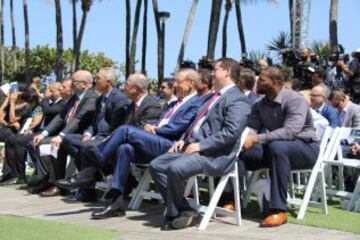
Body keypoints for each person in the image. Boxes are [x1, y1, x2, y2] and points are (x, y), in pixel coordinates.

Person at [57, 69, 204, 218]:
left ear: (190, 83)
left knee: (125, 130)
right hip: (156, 142)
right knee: (123, 148)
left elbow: (178, 126)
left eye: (178, 83)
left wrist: (157, 128)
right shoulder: (174, 103)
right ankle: (116, 204)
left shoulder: (195, 102)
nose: (174, 86)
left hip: (171, 145)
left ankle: (96, 162)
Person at [149, 58, 250, 230]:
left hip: (214, 154)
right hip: (192, 147)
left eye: (216, 69)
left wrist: (202, 145)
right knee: (156, 165)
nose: (212, 73)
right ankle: (185, 209)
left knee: (175, 168)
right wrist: (184, 139)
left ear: (227, 72)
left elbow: (231, 132)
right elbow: (197, 124)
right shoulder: (213, 97)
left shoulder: (237, 99)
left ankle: (175, 214)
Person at [238, 67, 319, 227]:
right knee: (239, 153)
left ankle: (278, 210)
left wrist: (256, 138)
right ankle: (232, 200)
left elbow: (290, 132)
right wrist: (242, 142)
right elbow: (250, 130)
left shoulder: (294, 99)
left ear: (275, 83)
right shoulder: (258, 105)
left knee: (277, 146)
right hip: (275, 149)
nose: (257, 82)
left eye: (261, 79)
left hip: (305, 149)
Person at [38, 68, 130, 197]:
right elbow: (94, 123)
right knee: (67, 140)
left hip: (108, 138)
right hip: (94, 136)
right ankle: (94, 173)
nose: (95, 81)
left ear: (108, 82)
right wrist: (88, 134)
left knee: (85, 147)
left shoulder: (118, 99)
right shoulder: (100, 99)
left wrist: (107, 139)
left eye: (98, 78)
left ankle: (87, 185)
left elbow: (118, 127)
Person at [28, 70, 97, 194]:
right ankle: (46, 181)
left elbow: (78, 119)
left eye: (74, 82)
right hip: (68, 134)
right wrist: (44, 133)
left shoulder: (91, 97)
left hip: (81, 135)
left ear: (85, 84)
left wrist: (61, 135)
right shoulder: (74, 98)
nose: (71, 85)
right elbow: (60, 117)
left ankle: (58, 185)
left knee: (55, 144)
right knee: (41, 142)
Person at [0, 82, 68, 185]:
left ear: (57, 91)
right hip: (40, 132)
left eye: (50, 90)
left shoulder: (63, 103)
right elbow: (39, 117)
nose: (48, 92)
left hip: (51, 134)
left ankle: (19, 175)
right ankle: (9, 173)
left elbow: (46, 110)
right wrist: (31, 128)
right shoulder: (48, 103)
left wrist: (44, 97)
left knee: (19, 141)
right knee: (11, 140)